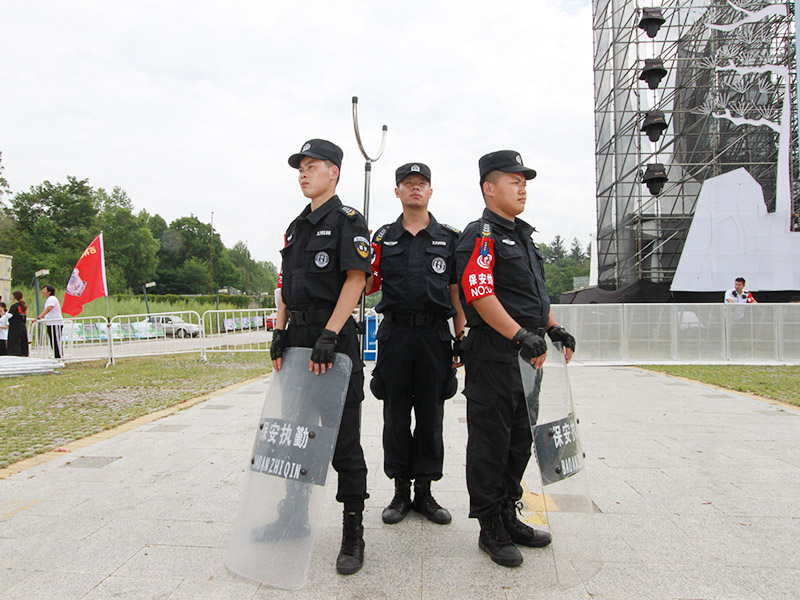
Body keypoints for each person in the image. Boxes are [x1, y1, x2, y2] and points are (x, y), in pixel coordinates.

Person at [455, 150, 576, 568]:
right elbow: (478, 292)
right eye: (513, 181)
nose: (522, 188)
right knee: (491, 442)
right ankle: (489, 525)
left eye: (524, 182)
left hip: (529, 357)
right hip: (495, 353)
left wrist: (553, 327)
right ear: (489, 188)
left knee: (519, 440)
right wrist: (519, 334)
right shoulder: (481, 235)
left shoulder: (523, 237)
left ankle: (509, 512)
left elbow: (532, 296)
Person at [269, 139, 371, 575]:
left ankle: (353, 532)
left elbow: (356, 278)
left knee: (342, 440)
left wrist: (330, 333)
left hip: (334, 344)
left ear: (334, 172)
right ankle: (292, 517)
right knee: (296, 433)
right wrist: (279, 330)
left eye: (312, 166)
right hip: (297, 340)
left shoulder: (348, 220)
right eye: (300, 167)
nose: (303, 173)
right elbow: (284, 283)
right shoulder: (296, 227)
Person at [366, 162, 466, 526]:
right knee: (394, 414)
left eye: (421, 183)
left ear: (430, 191)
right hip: (395, 336)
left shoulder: (449, 238)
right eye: (408, 183)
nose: (415, 188)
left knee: (430, 414)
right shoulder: (382, 237)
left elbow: (456, 292)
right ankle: (400, 491)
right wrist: (362, 257)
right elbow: (368, 285)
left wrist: (461, 336)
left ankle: (424, 491)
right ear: (397, 191)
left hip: (434, 336)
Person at [34, 285, 64, 358]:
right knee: (53, 341)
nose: (42, 291)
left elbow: (48, 309)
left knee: (56, 341)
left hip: (56, 323)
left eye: (44, 290)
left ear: (49, 292)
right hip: (50, 323)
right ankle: (57, 356)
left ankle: (59, 356)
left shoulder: (52, 298)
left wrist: (39, 317)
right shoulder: (48, 299)